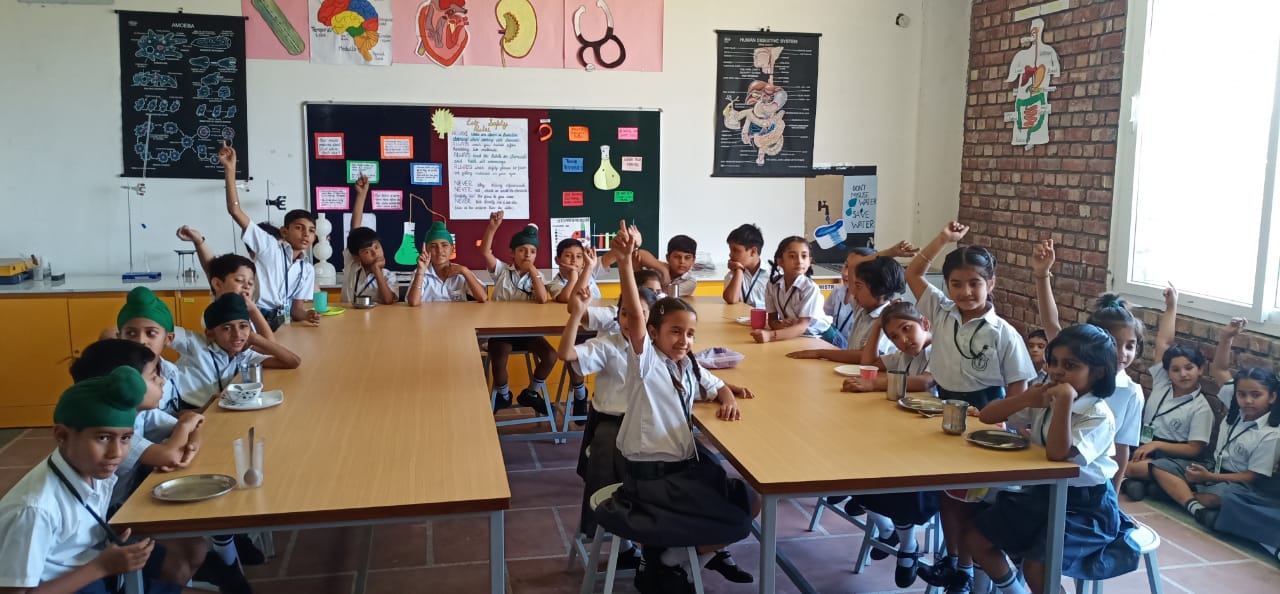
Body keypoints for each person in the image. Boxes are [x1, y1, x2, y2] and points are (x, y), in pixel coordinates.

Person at [592, 221, 757, 594]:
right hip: (652, 481)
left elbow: (716, 386)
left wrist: (728, 397)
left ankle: (674, 558)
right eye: (675, 332)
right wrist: (624, 262)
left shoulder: (688, 364)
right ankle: (671, 561)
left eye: (690, 333)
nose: (684, 340)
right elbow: (637, 316)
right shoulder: (646, 362)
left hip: (680, 470)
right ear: (653, 333)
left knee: (751, 499)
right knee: (738, 520)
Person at [908, 222, 1037, 593]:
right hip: (944, 411)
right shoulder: (940, 310)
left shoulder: (1003, 333)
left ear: (991, 283)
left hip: (986, 418)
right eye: (956, 284)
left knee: (973, 500)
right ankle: (953, 561)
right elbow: (913, 273)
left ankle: (968, 570)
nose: (965, 292)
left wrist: (1007, 424)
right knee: (949, 495)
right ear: (947, 285)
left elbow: (1019, 388)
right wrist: (943, 239)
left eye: (975, 283)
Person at [0, 368, 202, 594]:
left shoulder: (92, 472)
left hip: (100, 570)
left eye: (125, 438)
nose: (116, 453)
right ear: (62, 435)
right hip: (85, 579)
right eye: (103, 437)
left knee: (187, 553)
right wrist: (101, 567)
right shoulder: (34, 510)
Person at [967, 324, 1136, 594]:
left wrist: (1065, 402)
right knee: (976, 539)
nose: (1057, 371)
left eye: (1070, 365)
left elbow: (1058, 455)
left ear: (1098, 372)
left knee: (1038, 566)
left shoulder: (1098, 415)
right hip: (1042, 495)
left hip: (1085, 506)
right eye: (1053, 362)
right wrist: (1025, 399)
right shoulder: (1047, 396)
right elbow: (988, 417)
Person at [557, 280, 661, 569]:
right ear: (617, 315)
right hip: (611, 421)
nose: (630, 320)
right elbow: (566, 354)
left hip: (648, 423)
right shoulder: (609, 345)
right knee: (615, 459)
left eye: (639, 314)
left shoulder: (660, 346)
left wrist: (724, 390)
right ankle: (620, 534)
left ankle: (661, 538)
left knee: (674, 461)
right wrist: (576, 314)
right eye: (624, 313)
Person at [1033, 239, 1143, 488]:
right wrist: (1042, 275)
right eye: (1114, 344)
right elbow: (1051, 323)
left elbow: (1122, 447)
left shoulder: (1131, 392)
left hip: (1089, 481)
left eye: (1130, 346)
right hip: (1053, 473)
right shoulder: (1072, 365)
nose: (1122, 353)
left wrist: (1115, 494)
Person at [1151, 367, 1280, 526]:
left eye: (1256, 395)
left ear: (1272, 397)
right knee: (1160, 467)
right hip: (1212, 468)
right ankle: (1195, 506)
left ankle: (1175, 494)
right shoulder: (1235, 412)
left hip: (1239, 483)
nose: (1248, 400)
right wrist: (1207, 475)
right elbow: (1219, 367)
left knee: (1217, 498)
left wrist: (1209, 477)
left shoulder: (1271, 434)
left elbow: (1251, 477)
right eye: (1241, 394)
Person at [1123, 285, 1216, 500]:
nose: (1183, 374)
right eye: (1175, 369)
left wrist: (1156, 444)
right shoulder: (1163, 383)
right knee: (1115, 452)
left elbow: (1194, 449)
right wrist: (1171, 306)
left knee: (1131, 466)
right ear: (1167, 372)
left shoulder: (1201, 407)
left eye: (1189, 368)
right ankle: (1148, 484)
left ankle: (1134, 478)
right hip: (1145, 445)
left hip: (1173, 455)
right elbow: (1163, 343)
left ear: (1200, 370)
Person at [218, 141, 320, 329]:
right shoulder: (269, 245)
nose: (306, 234)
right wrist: (230, 170)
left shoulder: (307, 269)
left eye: (311, 230)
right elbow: (235, 211)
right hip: (254, 316)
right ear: (284, 231)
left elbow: (297, 309)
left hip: (283, 320)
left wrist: (307, 315)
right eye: (299, 228)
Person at [480, 211, 554, 413]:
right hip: (501, 331)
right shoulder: (502, 271)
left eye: (532, 251)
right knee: (498, 357)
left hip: (528, 332)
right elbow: (485, 252)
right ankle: (504, 395)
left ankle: (531, 393)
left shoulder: (537, 277)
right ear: (512, 253)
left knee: (550, 355)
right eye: (522, 250)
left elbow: (542, 299)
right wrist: (492, 228)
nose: (527, 255)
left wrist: (533, 271)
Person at [173, 293, 302, 409]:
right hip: (186, 409)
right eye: (227, 328)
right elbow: (165, 329)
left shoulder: (245, 355)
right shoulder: (193, 343)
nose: (237, 334)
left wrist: (256, 339)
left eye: (243, 326)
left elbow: (293, 362)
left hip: (219, 409)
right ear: (210, 334)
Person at [786, 253, 908, 359]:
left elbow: (863, 355)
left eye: (858, 286)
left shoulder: (888, 320)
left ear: (879, 291)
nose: (853, 292)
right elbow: (854, 264)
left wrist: (820, 353)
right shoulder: (862, 309)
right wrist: (891, 252)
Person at [750, 236, 833, 344]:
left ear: (809, 261)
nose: (799, 261)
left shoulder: (810, 288)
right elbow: (772, 321)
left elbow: (802, 326)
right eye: (792, 256)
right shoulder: (772, 285)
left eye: (804, 256)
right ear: (780, 261)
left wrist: (770, 336)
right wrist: (781, 325)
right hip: (797, 336)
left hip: (824, 337)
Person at [343, 175, 399, 305]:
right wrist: (361, 195)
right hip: (348, 316)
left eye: (377, 247)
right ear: (356, 256)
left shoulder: (388, 276)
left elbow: (388, 300)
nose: (375, 253)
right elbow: (354, 229)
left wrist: (377, 270)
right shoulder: (352, 265)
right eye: (367, 252)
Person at [406, 220, 486, 304]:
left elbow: (483, 297)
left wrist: (466, 271)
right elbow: (413, 302)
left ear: (452, 249)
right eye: (433, 246)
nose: (439, 251)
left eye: (444, 245)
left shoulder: (460, 271)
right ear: (426, 250)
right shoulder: (421, 272)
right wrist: (420, 272)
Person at [722, 224, 767, 308]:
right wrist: (739, 271)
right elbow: (731, 299)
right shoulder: (732, 275)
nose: (730, 254)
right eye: (730, 250)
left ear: (753, 252)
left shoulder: (773, 275)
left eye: (735, 250)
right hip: (741, 316)